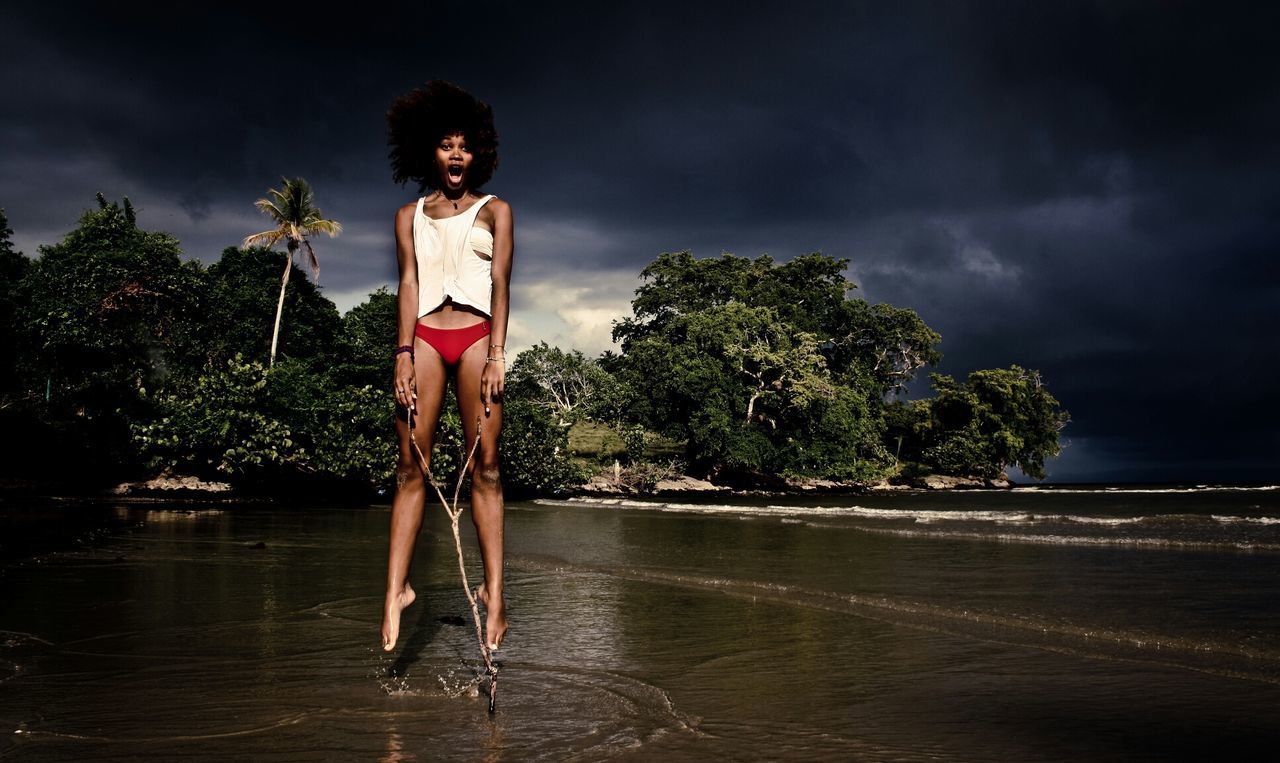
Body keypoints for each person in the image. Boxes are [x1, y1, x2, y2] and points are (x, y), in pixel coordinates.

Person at [381, 81, 512, 654]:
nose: (456, 155)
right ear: (428, 153)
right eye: (445, 145)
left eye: (464, 146)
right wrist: (403, 353)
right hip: (427, 337)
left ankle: (496, 595)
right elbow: (408, 283)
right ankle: (396, 590)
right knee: (412, 465)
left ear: (477, 153)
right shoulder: (408, 216)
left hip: (479, 335)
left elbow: (502, 285)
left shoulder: (497, 211)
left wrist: (498, 354)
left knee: (485, 467)